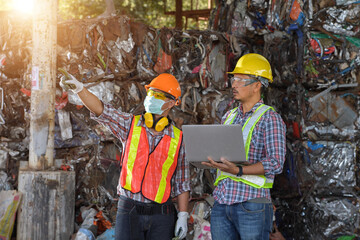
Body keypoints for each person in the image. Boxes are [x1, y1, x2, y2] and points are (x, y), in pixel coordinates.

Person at [60, 73, 190, 240]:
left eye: (157, 95)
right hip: (129, 210)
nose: (151, 98)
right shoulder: (130, 124)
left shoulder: (179, 139)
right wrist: (79, 89)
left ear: (172, 103)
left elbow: (182, 183)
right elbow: (102, 110)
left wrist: (183, 216)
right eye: (150, 93)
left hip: (161, 215)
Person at [201, 53, 286, 240]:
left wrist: (239, 170)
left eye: (241, 80)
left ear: (257, 85)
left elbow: (276, 162)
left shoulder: (270, 118)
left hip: (252, 203)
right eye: (233, 78)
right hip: (223, 202)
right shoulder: (229, 116)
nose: (234, 84)